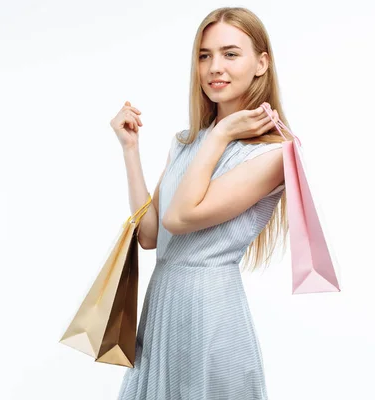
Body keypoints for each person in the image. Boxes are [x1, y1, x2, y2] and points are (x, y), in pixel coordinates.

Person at [110, 7, 295, 400]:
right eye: (204, 55)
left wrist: (223, 132)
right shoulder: (187, 141)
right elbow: (149, 235)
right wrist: (131, 150)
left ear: (262, 63)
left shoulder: (275, 155)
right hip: (162, 306)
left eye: (230, 54)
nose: (215, 67)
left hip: (210, 309)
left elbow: (181, 218)